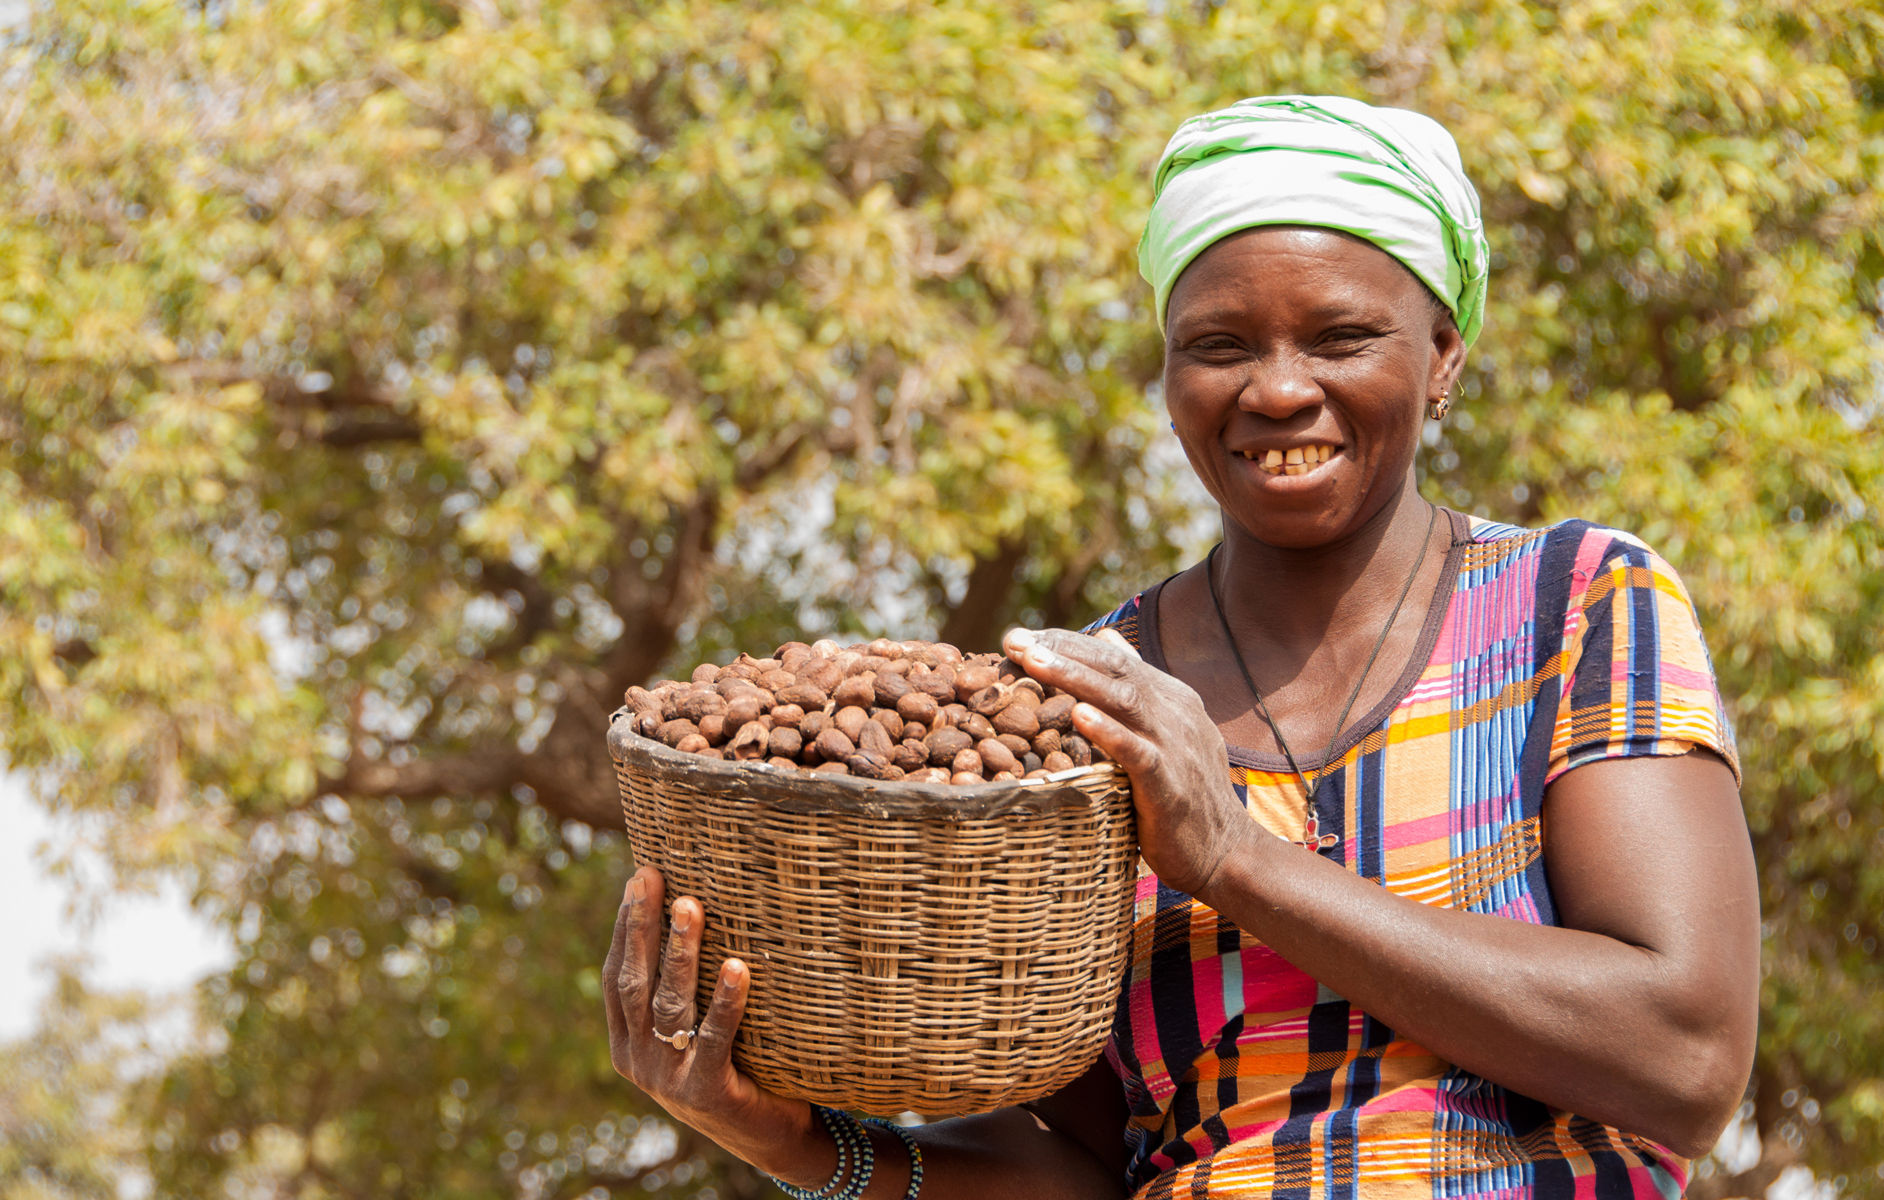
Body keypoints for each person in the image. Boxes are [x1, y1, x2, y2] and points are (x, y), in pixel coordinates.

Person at [600, 95, 1760, 1199]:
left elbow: (1686, 1056)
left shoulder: (1575, 603)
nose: (1278, 389)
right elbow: (1086, 1164)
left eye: (1343, 335)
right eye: (1218, 344)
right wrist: (791, 1143)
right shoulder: (1085, 704)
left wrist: (1235, 860)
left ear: (1444, 356)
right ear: (1168, 374)